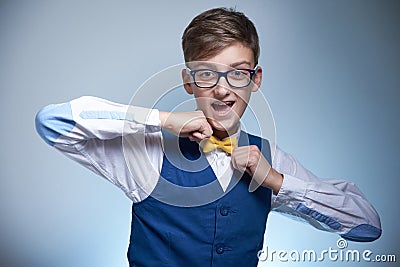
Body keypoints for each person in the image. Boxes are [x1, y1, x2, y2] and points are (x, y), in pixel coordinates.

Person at [35, 7, 381, 267]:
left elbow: (366, 226)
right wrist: (164, 120)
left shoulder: (270, 158)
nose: (221, 90)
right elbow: (52, 121)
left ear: (255, 79)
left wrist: (276, 181)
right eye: (206, 74)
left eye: (237, 74)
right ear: (188, 82)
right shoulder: (149, 153)